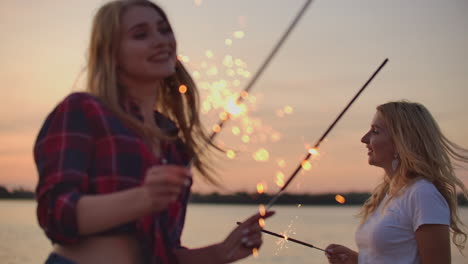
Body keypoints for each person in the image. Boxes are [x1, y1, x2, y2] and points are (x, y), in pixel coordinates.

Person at [33, 1, 274, 263]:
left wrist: (221, 251)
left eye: (164, 30)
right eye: (141, 34)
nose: (161, 41)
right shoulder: (83, 110)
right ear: (110, 52)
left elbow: (162, 254)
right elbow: (55, 214)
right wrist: (144, 198)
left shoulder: (172, 141)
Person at [325, 101, 468, 264]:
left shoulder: (423, 194)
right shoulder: (388, 195)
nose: (364, 139)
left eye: (375, 131)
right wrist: (357, 260)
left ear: (401, 141)